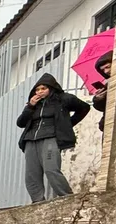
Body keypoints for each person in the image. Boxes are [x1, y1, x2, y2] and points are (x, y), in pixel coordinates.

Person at [16, 73, 90, 203]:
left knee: (51, 169)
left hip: (50, 138)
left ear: (51, 88)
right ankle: (37, 202)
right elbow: (20, 123)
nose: (40, 92)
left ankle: (67, 198)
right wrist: (30, 107)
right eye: (37, 89)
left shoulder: (63, 99)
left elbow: (84, 108)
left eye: (43, 88)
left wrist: (67, 125)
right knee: (31, 174)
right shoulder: (33, 105)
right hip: (30, 140)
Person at [92, 51, 113, 133]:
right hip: (108, 124)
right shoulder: (108, 84)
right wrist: (98, 98)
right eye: (103, 70)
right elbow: (101, 107)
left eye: (108, 67)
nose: (106, 71)